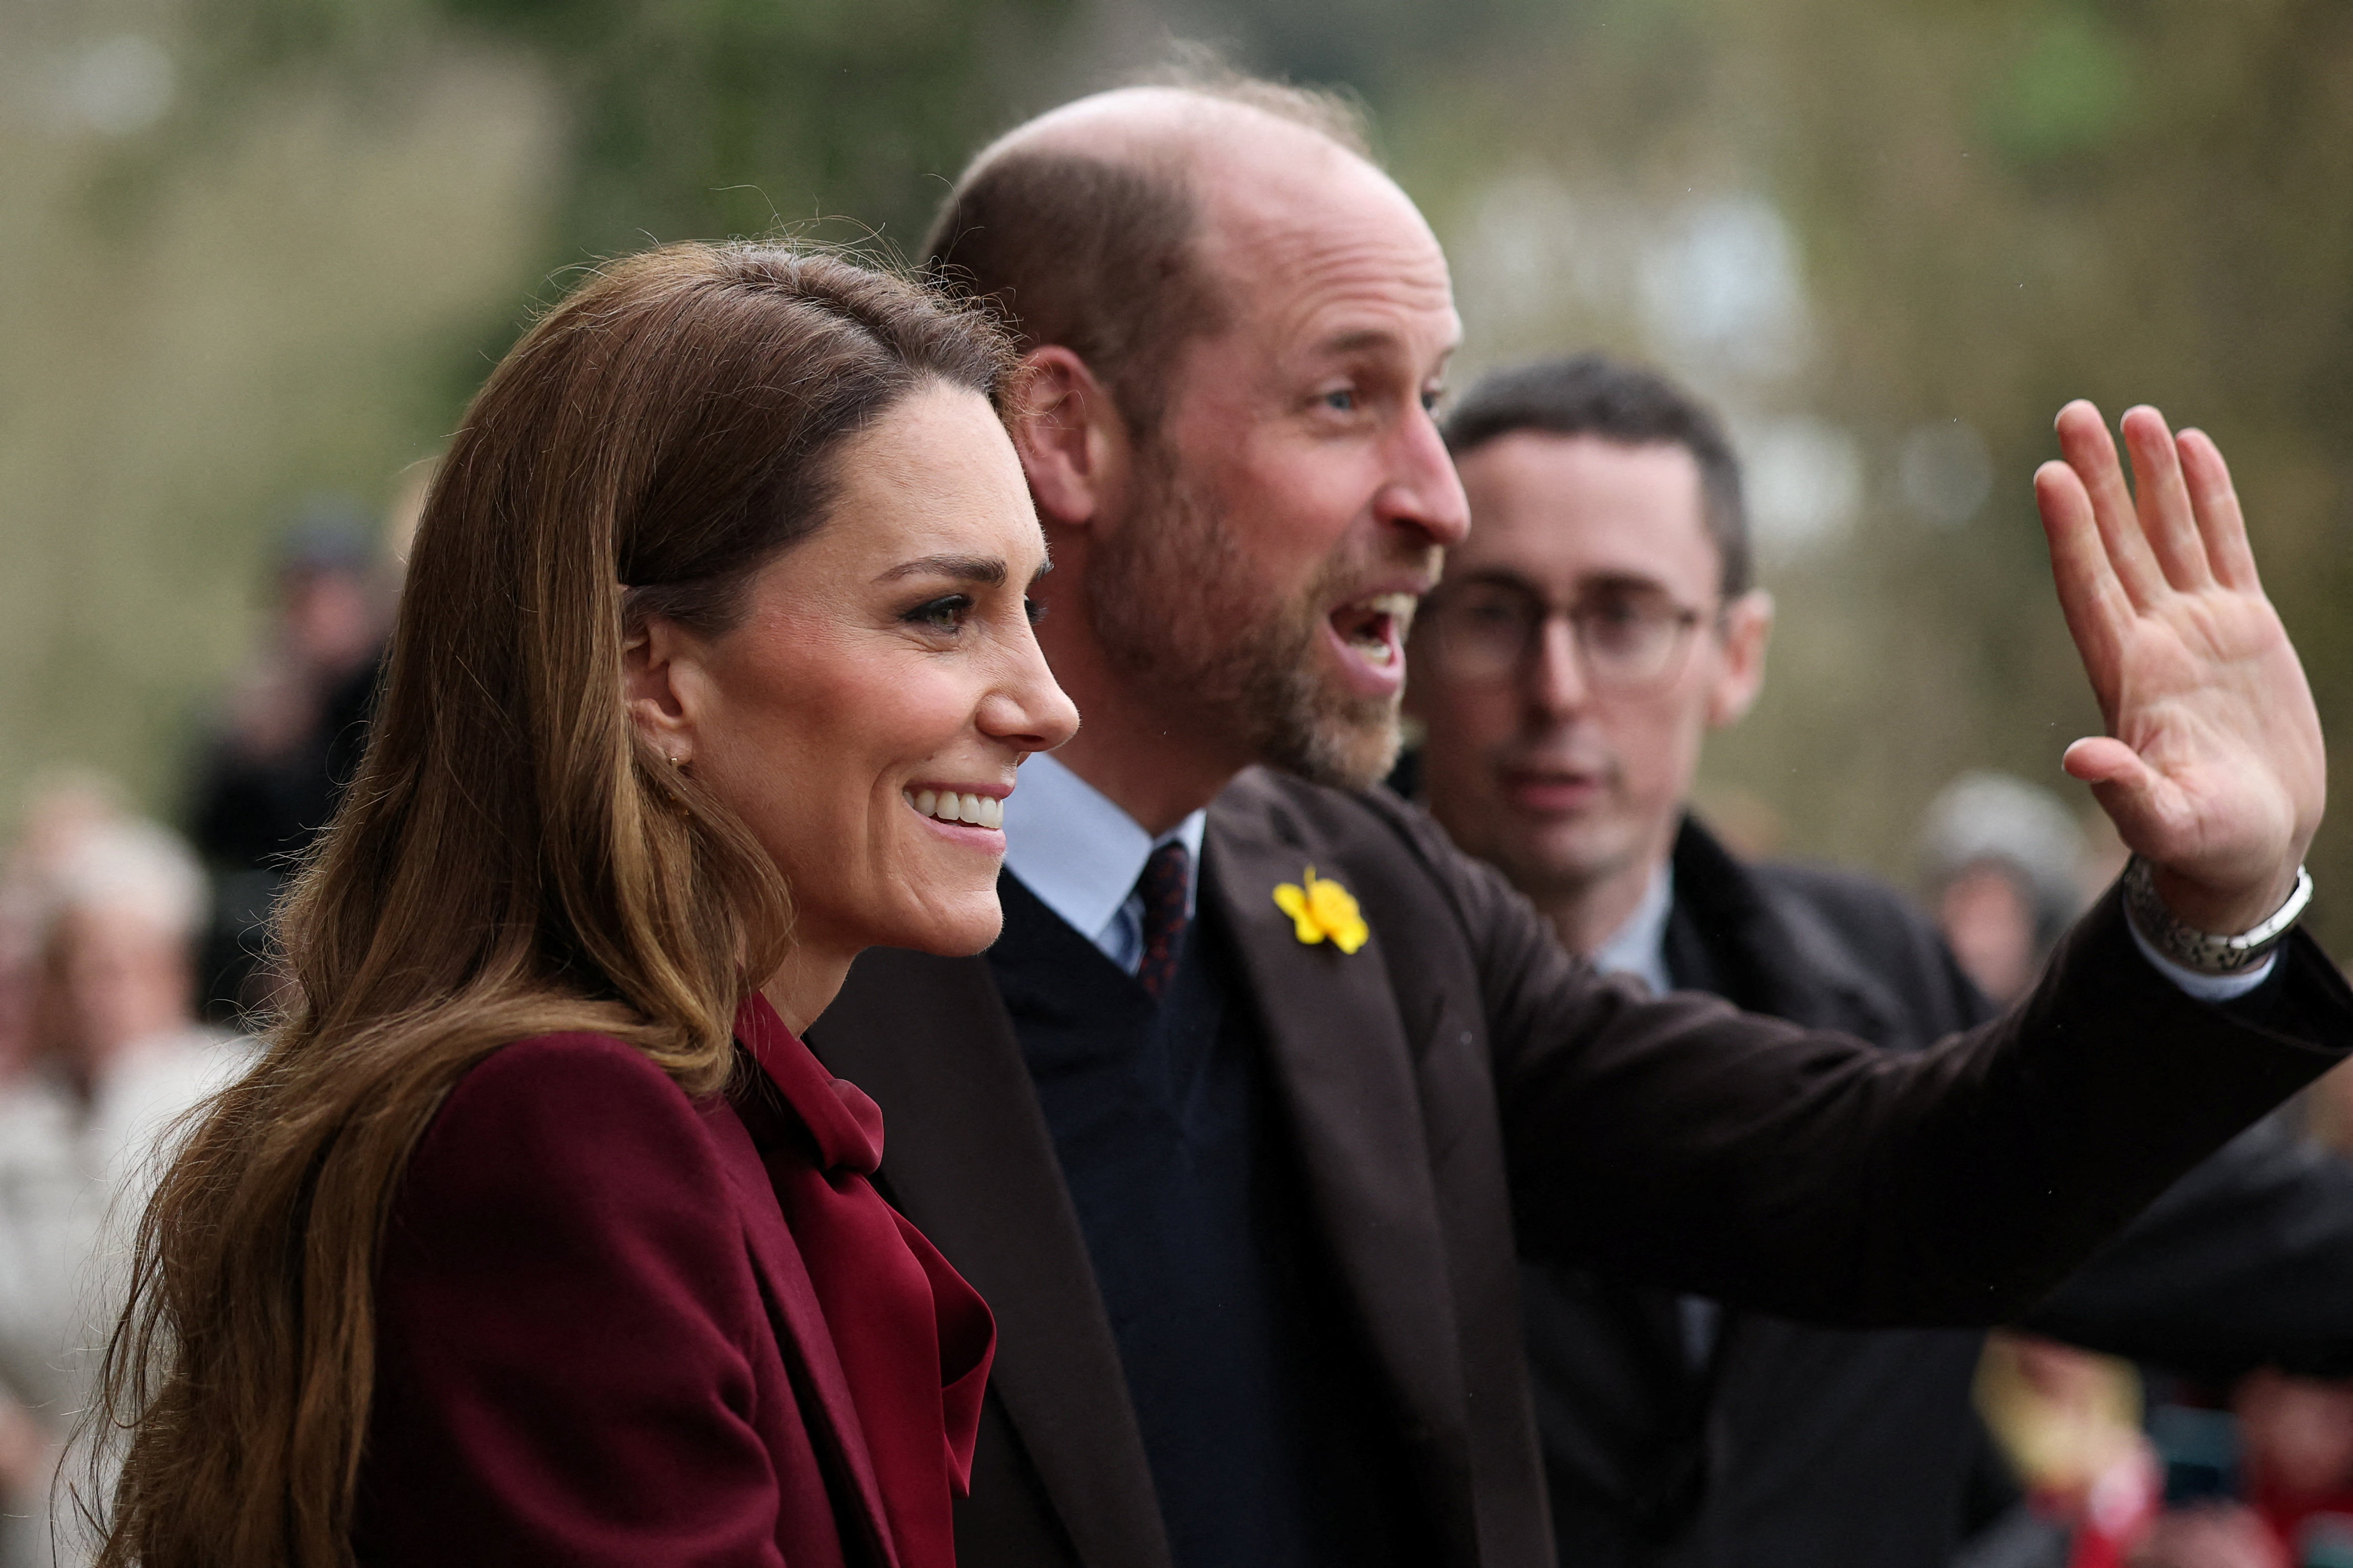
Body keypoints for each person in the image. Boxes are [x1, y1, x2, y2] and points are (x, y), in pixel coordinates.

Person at [807, 75, 2351, 1568]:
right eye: (1343, 397)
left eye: (1433, 399)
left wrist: (2208, 914)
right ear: (1065, 436)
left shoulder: (1376, 905)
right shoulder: (753, 963)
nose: (1438, 499)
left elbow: (1894, 1190)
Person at [87, 242, 1080, 1568]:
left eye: (1029, 607)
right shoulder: (562, 1130)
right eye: (942, 611)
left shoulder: (696, 1108)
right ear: (652, 677)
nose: (1043, 705)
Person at [1403, 350, 2353, 1568]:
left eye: (1623, 616)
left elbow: (2203, 1232)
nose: (1559, 687)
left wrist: (2219, 905)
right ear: (1406, 636)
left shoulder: (1874, 976)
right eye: (1494, 612)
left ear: (1736, 656)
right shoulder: (1280, 989)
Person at [0, 801, 245, 1568]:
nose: (93, 994)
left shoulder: (229, 1098)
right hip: (47, 1503)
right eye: (74, 968)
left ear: (170, 968)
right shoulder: (21, 1126)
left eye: (115, 965)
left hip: (198, 1487)